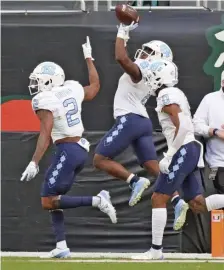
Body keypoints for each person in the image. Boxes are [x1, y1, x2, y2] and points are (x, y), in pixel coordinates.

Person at [20, 37, 117, 259]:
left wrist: (34, 161)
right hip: (79, 150)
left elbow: (46, 131)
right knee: (56, 198)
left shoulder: (45, 99)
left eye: (39, 80)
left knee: (47, 200)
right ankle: (61, 245)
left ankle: (99, 200)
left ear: (50, 81)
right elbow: (94, 88)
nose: (34, 85)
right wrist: (88, 58)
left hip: (68, 150)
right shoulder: (71, 88)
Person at [93, 21, 188, 231]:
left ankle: (134, 180)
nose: (143, 54)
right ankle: (177, 200)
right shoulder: (152, 74)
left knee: (100, 159)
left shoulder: (142, 71)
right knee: (152, 165)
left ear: (158, 59)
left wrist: (122, 32)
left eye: (148, 52)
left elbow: (120, 57)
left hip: (130, 119)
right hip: (142, 121)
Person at [132, 59, 224, 260]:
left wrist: (169, 154)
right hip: (189, 148)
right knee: (197, 204)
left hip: (183, 148)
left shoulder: (166, 95)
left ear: (159, 77)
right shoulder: (173, 93)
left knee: (158, 197)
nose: (148, 79)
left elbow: (182, 127)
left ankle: (156, 251)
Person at [193, 70, 224, 195]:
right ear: (223, 82)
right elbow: (195, 125)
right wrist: (215, 131)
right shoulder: (210, 100)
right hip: (219, 163)